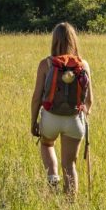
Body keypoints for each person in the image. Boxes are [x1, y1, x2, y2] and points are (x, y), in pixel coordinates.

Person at [30, 22, 93, 195]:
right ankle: (69, 207)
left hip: (50, 117)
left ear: (54, 40)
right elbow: (89, 101)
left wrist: (33, 122)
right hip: (75, 119)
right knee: (70, 165)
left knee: (47, 144)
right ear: (74, 40)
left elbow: (37, 98)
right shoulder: (83, 65)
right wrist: (82, 117)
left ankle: (52, 176)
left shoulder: (46, 64)